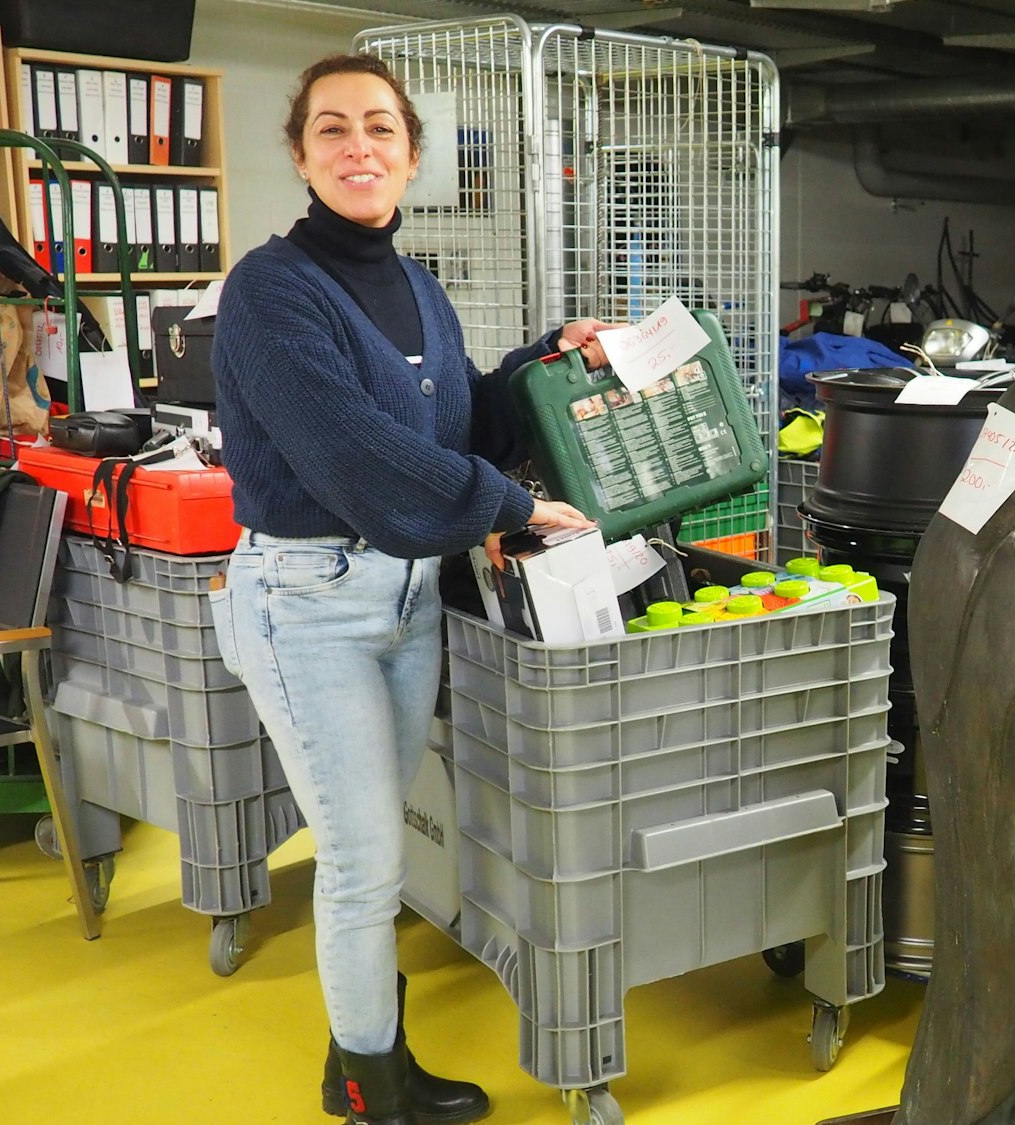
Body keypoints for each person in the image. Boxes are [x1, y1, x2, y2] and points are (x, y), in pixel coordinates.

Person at [208, 53, 606, 1125]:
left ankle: (357, 1058)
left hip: (404, 596)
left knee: (375, 848)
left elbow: (456, 421)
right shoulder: (267, 289)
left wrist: (542, 364)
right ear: (299, 153)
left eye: (379, 128)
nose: (358, 148)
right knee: (361, 861)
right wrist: (513, 509)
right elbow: (349, 447)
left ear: (410, 153)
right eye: (331, 129)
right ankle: (374, 1091)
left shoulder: (415, 282)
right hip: (307, 603)